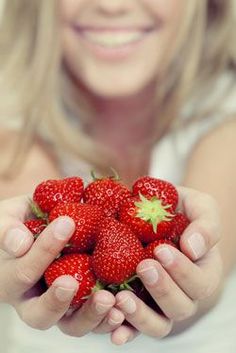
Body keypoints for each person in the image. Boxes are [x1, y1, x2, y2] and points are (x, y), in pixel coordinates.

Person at [0, 0, 235, 352]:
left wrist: (191, 289)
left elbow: (208, 276)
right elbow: (32, 222)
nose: (112, 5)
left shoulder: (225, 114)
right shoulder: (13, 114)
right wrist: (20, 260)